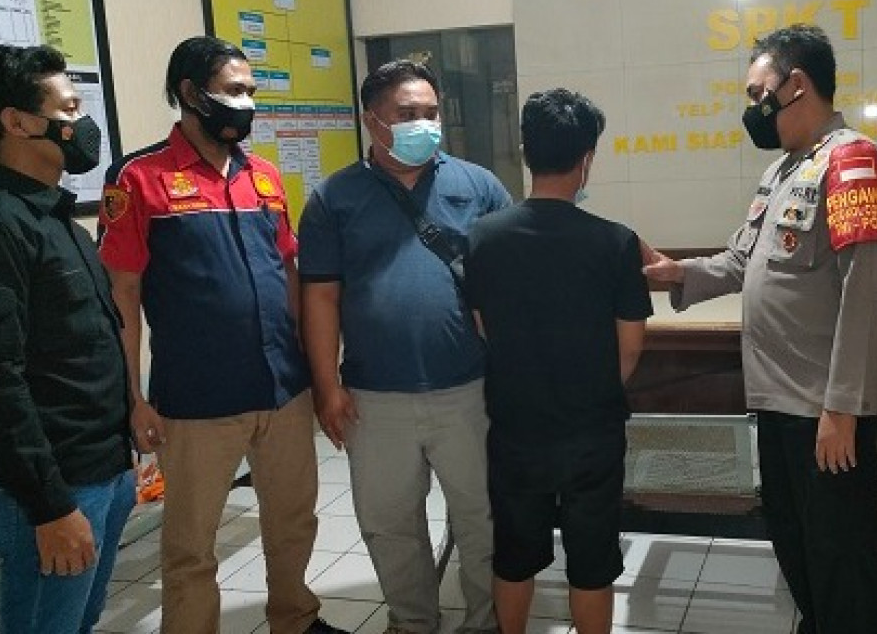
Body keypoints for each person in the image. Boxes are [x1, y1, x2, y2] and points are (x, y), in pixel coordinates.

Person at [643, 24, 877, 634]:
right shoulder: (785, 170)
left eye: (758, 94)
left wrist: (843, 409)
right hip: (780, 402)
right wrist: (677, 273)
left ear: (797, 85)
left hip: (823, 408)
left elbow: (866, 297)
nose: (753, 108)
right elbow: (742, 260)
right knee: (796, 540)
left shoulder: (854, 163)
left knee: (840, 555)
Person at [97, 36, 344, 634]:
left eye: (250, 91)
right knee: (191, 546)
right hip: (197, 401)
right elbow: (122, 293)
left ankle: (295, 619)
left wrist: (316, 372)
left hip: (282, 388)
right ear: (190, 93)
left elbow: (288, 271)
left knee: (293, 522)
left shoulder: (264, 176)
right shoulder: (140, 178)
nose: (246, 103)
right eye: (234, 90)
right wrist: (133, 398)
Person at [299, 59, 510, 634]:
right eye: (407, 113)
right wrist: (327, 386)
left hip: (469, 389)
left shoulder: (479, 186)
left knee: (484, 519)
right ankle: (412, 621)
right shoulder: (334, 198)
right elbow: (320, 298)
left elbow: (508, 286)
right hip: (374, 397)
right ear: (372, 121)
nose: (425, 123)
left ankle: (486, 622)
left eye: (431, 112)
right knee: (390, 525)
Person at [0, 44, 135, 633]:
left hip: (103, 471)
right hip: (52, 494)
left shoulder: (55, 219)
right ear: (17, 122)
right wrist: (51, 507)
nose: (83, 124)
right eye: (68, 109)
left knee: (78, 622)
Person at [464, 88, 652, 634]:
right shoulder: (616, 243)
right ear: (586, 158)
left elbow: (484, 327)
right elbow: (630, 347)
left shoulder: (483, 237)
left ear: (526, 152)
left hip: (516, 427)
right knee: (592, 562)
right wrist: (590, 389)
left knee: (514, 555)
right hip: (591, 432)